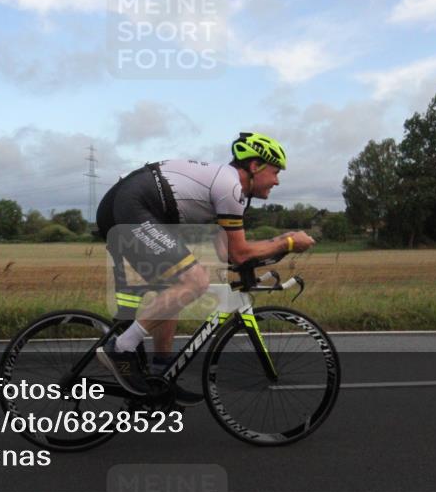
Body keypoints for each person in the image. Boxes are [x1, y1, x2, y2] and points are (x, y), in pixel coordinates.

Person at [95, 132, 315, 403]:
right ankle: (121, 348)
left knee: (175, 290)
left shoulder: (232, 193)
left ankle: (161, 378)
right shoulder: (231, 186)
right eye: (275, 171)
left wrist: (257, 266)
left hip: (134, 206)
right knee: (195, 281)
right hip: (131, 204)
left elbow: (228, 253)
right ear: (255, 166)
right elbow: (240, 251)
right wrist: (288, 241)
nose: (277, 180)